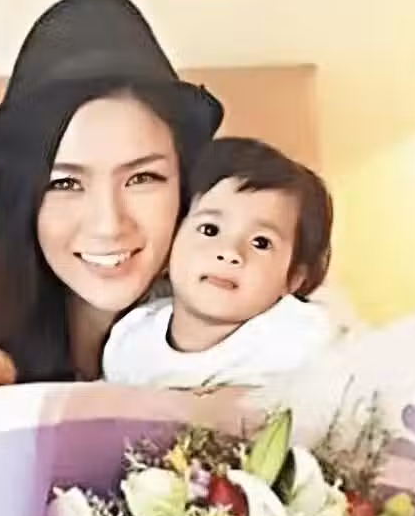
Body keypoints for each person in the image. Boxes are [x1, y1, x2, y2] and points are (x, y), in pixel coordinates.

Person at [0, 0, 224, 382]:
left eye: (142, 178)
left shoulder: (257, 340)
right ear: (23, 199)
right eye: (65, 183)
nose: (108, 225)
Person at [103, 136, 336, 388]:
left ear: (293, 279)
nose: (230, 252)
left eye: (261, 243)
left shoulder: (301, 336)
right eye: (210, 230)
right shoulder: (132, 340)